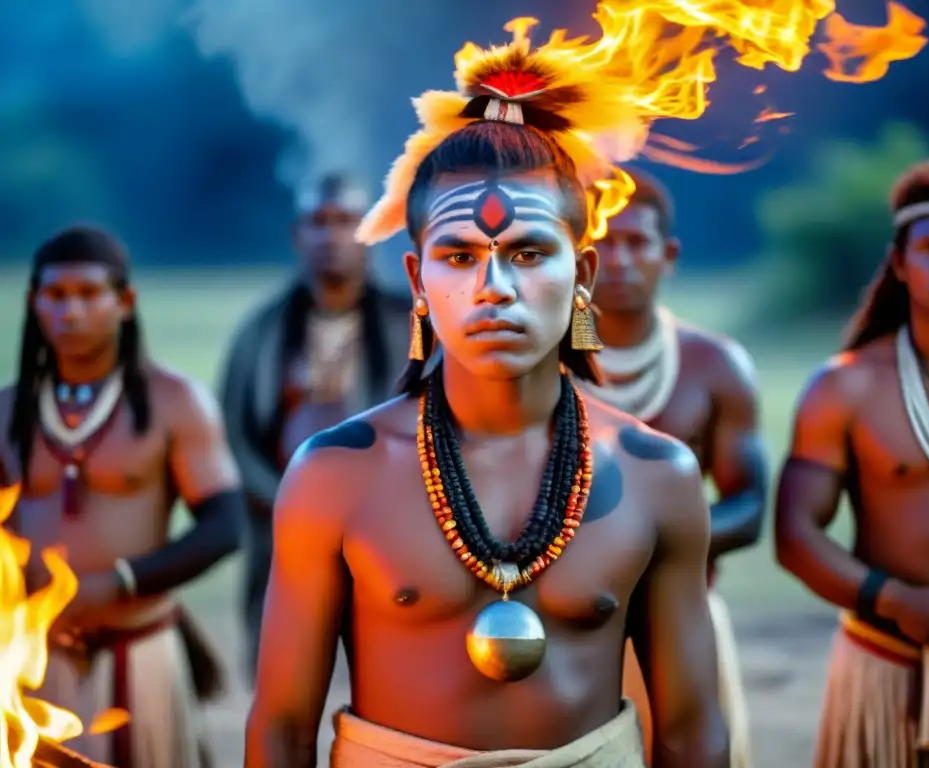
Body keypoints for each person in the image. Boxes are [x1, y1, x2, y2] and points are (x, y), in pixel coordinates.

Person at [245, 17, 731, 768]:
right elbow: (279, 733)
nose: (493, 289)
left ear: (583, 276)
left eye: (529, 252)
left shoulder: (657, 475)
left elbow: (695, 736)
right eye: (460, 255)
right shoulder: (335, 474)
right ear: (416, 281)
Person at [774, 157, 929, 768]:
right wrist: (888, 599)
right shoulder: (845, 388)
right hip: (886, 661)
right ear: (901, 264)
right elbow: (795, 534)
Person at [0, 225, 245, 768]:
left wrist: (122, 581)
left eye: (89, 294)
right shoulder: (7, 411)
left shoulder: (174, 402)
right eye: (56, 295)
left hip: (140, 652)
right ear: (33, 301)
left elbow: (225, 526)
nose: (71, 312)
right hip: (34, 655)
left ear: (125, 301)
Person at [581, 166, 766, 768]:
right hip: (574, 631)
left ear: (670, 254)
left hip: (688, 621)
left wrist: (647, 546)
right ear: (580, 256)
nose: (623, 258)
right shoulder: (540, 369)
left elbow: (751, 508)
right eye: (606, 242)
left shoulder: (715, 366)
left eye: (638, 242)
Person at [218, 172, 411, 680]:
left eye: (346, 221)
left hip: (387, 530)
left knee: (391, 684)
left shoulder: (409, 325)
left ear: (372, 231)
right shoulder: (260, 333)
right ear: (296, 235)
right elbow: (234, 435)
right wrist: (289, 500)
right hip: (283, 530)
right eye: (317, 223)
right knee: (284, 680)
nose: (330, 237)